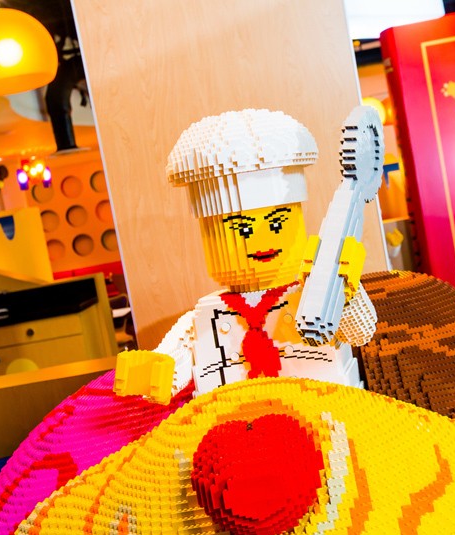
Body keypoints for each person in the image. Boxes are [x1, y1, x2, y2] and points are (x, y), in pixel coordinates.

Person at [114, 108, 376, 403]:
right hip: (235, 413)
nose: (261, 241)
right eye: (242, 229)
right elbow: (174, 362)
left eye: (276, 225)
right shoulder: (205, 315)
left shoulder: (318, 295)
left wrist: (345, 293)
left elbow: (360, 333)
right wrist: (154, 374)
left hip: (323, 407)